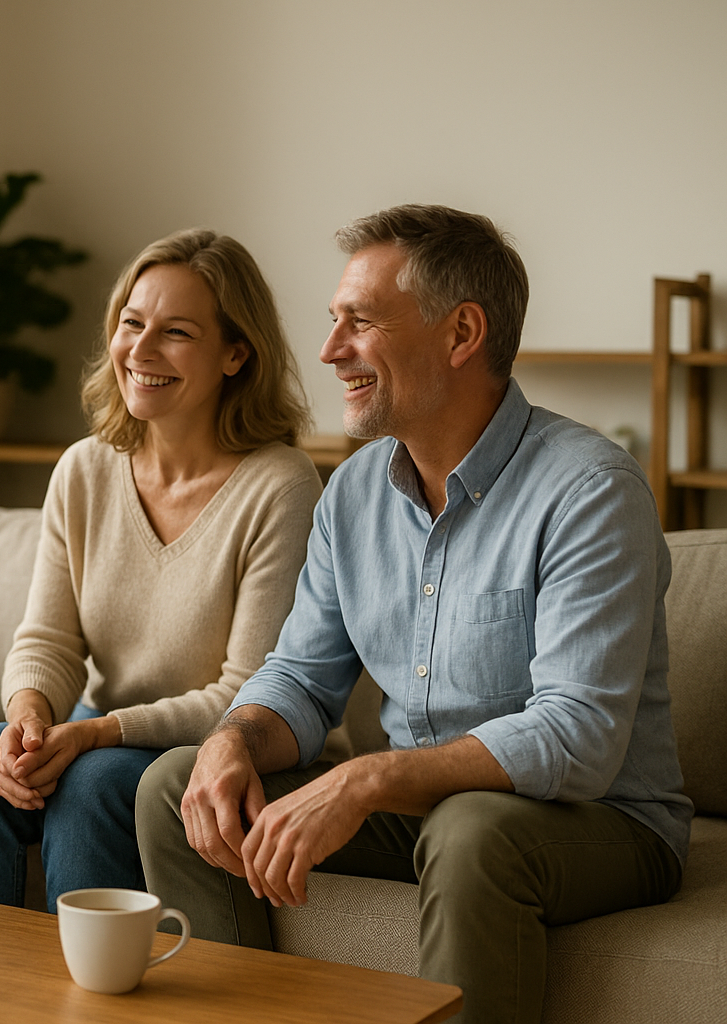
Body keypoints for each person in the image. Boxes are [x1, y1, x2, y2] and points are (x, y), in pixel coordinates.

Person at [135, 205, 691, 1024]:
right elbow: (300, 676)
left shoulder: (589, 491)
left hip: (602, 822)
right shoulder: (353, 494)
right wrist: (232, 737)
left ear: (462, 333)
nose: (330, 351)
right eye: (333, 323)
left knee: (470, 832)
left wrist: (369, 778)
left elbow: (577, 736)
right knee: (174, 784)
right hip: (431, 808)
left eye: (359, 323)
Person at [0, 228, 322, 912]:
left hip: (220, 747)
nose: (140, 350)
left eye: (175, 333)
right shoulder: (84, 470)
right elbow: (47, 641)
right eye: (131, 324)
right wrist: (29, 719)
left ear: (236, 353)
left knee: (96, 781)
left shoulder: (282, 487)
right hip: (98, 729)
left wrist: (93, 732)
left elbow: (246, 692)